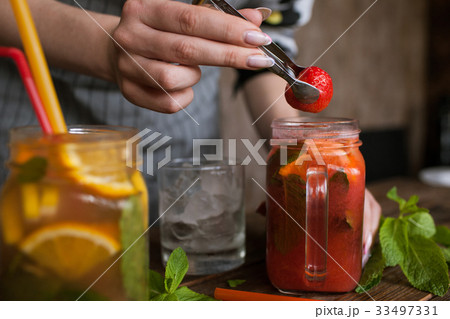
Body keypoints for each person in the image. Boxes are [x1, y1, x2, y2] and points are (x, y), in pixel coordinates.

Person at [0, 0, 380, 253]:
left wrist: (309, 156)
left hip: (178, 140)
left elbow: (268, 50)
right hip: (35, 131)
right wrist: (104, 48)